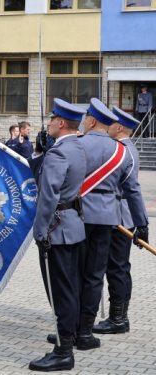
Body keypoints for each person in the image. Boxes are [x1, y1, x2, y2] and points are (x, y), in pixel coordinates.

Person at [47, 98, 149, 350]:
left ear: (91, 120)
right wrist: (141, 223)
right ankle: (84, 334)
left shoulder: (77, 144)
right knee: (94, 277)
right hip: (107, 219)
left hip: (77, 216)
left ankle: (68, 331)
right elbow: (133, 190)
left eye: (85, 118)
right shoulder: (122, 151)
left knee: (74, 276)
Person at [28, 98, 87, 372]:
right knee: (71, 288)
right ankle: (69, 337)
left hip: (57, 230)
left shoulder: (59, 153)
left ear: (61, 123)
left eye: (52, 119)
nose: (49, 123)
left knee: (60, 292)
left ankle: (63, 352)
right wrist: (41, 152)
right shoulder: (77, 147)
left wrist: (39, 231)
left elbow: (48, 194)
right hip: (73, 226)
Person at [92, 107, 148, 335]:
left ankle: (118, 318)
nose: (109, 127)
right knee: (118, 268)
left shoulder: (124, 150)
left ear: (120, 127)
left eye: (112, 124)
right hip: (120, 214)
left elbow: (132, 189)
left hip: (120, 216)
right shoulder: (125, 148)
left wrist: (142, 222)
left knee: (117, 268)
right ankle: (118, 316)